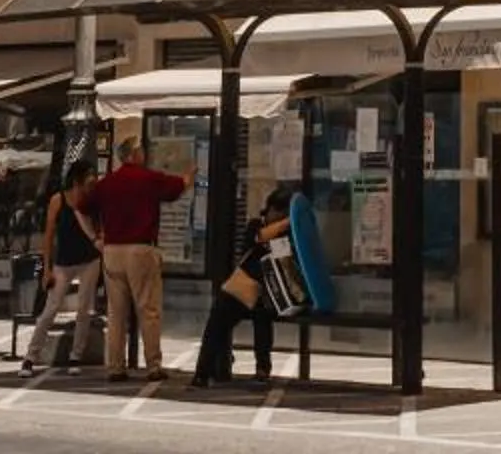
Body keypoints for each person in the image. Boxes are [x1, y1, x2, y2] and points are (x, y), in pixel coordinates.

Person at [84, 136, 188, 377]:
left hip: (112, 251)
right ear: (134, 154)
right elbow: (176, 188)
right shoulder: (148, 178)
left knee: (116, 312)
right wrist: (189, 178)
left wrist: (96, 237)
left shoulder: (107, 182)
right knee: (148, 309)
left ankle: (116, 366)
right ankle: (153, 365)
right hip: (140, 249)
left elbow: (84, 206)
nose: (145, 154)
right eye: (141, 150)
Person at [191, 187, 297, 388]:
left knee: (262, 321)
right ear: (272, 210)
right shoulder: (257, 226)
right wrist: (286, 222)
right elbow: (258, 238)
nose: (280, 219)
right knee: (217, 324)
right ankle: (203, 372)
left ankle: (262, 369)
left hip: (268, 292)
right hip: (244, 287)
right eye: (279, 214)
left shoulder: (289, 234)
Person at [18, 160, 102, 375]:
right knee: (50, 309)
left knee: (84, 309)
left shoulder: (92, 200)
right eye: (89, 176)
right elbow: (48, 235)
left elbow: (99, 226)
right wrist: (46, 269)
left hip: (89, 259)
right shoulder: (59, 199)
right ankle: (31, 356)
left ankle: (76, 355)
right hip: (63, 261)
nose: (93, 180)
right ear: (77, 180)